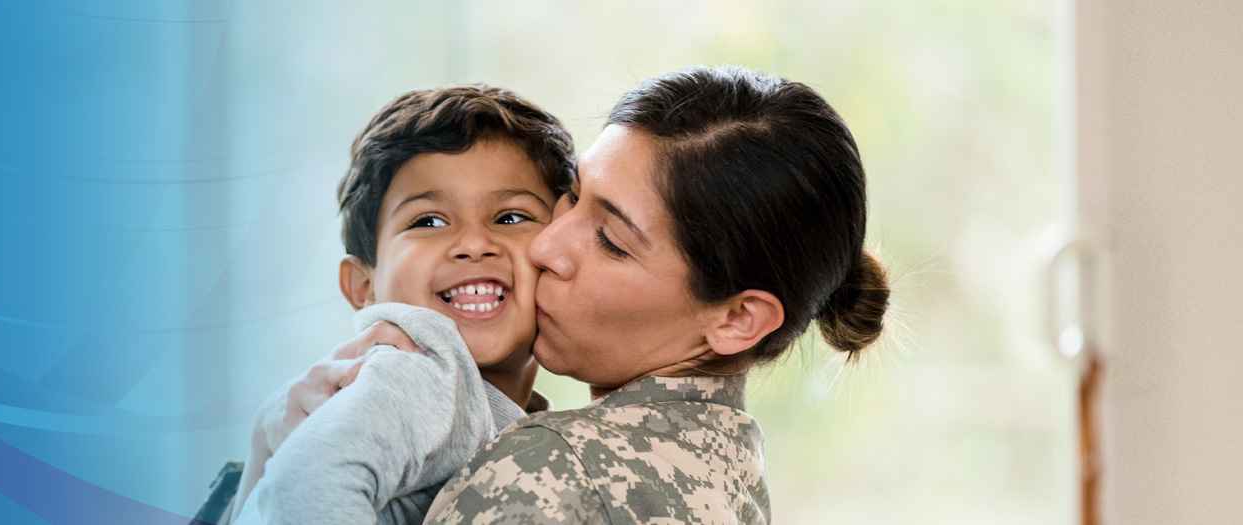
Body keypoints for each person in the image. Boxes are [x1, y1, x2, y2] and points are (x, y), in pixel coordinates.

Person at [423, 65, 890, 524]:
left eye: (611, 241)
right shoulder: (728, 472)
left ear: (739, 319)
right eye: (571, 191)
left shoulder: (547, 471)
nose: (545, 247)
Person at [226, 85, 575, 524]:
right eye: (428, 221)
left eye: (510, 217)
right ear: (363, 286)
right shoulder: (419, 375)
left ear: (564, 250)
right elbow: (302, 486)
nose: (473, 244)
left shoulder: (513, 417)